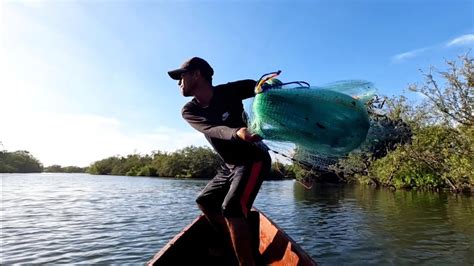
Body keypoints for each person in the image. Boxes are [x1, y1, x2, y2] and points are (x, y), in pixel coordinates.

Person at [168, 57, 271, 266]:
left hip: (253, 159)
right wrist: (238, 132)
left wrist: (265, 86)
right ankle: (236, 240)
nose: (179, 82)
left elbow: (256, 85)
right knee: (205, 201)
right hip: (230, 165)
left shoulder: (229, 91)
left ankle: (246, 259)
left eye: (181, 77)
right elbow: (212, 129)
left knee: (231, 207)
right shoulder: (190, 110)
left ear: (197, 74)